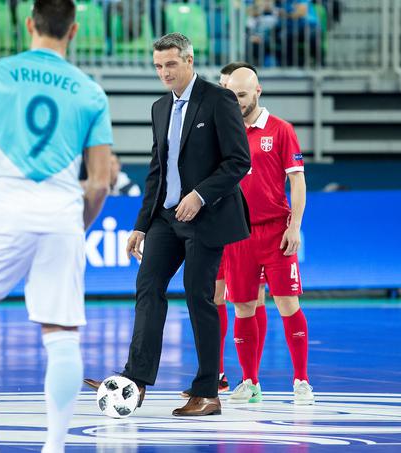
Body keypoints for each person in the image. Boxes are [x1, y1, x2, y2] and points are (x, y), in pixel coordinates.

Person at [0, 1, 112, 450]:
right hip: (61, 215)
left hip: (4, 213)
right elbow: (99, 182)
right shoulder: (89, 91)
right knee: (61, 337)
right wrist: (74, 224)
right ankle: (55, 446)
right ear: (74, 30)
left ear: (29, 24)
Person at [85, 32, 251, 417]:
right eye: (158, 66)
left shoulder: (218, 99)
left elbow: (238, 161)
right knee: (147, 285)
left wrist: (201, 195)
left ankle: (208, 390)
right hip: (165, 216)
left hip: (206, 216)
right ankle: (136, 379)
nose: (164, 72)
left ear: (189, 61)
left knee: (198, 294)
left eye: (171, 64)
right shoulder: (160, 107)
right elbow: (157, 171)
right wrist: (140, 224)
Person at [224, 67, 314, 405]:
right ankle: (250, 382)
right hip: (238, 234)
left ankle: (301, 380)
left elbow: (298, 182)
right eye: (231, 95)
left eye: (242, 96)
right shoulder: (226, 131)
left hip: (276, 231)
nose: (237, 102)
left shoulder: (281, 130)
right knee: (243, 306)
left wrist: (295, 227)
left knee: (288, 303)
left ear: (258, 91)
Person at [182, 61, 267, 398]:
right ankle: (216, 374)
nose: (229, 97)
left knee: (250, 300)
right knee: (213, 295)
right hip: (213, 221)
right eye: (224, 89)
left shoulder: (274, 130)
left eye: (237, 93)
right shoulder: (210, 123)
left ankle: (252, 377)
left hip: (244, 227)